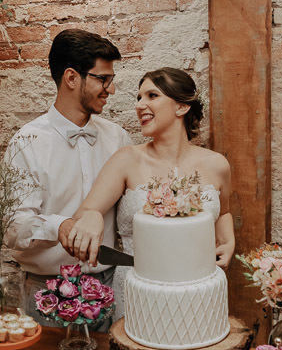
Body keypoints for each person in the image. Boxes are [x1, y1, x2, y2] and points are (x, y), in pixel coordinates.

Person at [62, 67, 234, 319]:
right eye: (139, 98)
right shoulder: (127, 160)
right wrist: (92, 216)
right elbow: (85, 212)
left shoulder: (217, 165)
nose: (140, 105)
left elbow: (224, 212)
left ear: (182, 107)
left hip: (197, 290)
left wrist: (229, 242)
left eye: (152, 96)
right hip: (137, 290)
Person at [4, 29, 132, 329]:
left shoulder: (118, 138)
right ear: (72, 78)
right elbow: (13, 226)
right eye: (103, 79)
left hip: (110, 288)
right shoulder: (27, 142)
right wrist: (59, 225)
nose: (110, 89)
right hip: (45, 294)